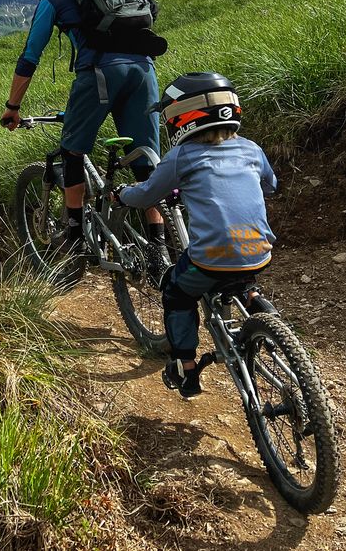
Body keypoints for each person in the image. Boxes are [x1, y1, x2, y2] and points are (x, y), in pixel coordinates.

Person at [0, 0, 168, 271]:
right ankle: (159, 248)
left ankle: (76, 243)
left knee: (72, 153)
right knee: (146, 163)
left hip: (101, 72)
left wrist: (13, 107)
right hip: (145, 70)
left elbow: (30, 56)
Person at [115, 72, 277, 400]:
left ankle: (186, 368)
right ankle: (257, 308)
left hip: (211, 258)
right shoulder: (251, 148)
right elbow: (270, 185)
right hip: (260, 250)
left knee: (176, 290)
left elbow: (147, 195)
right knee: (240, 273)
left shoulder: (182, 156)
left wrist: (122, 194)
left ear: (181, 118)